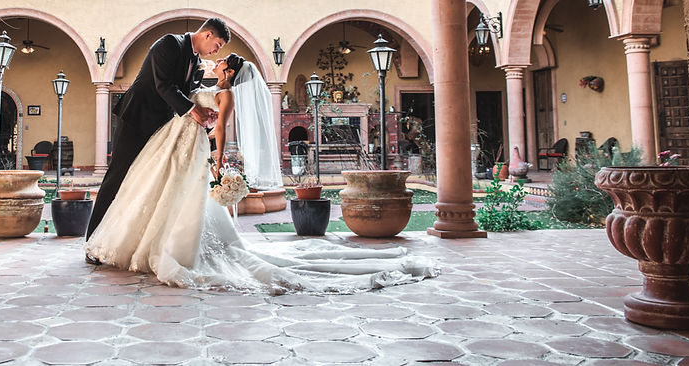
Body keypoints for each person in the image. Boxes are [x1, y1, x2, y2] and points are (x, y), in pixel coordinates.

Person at [85, 53, 439, 293]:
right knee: (159, 192)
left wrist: (218, 161)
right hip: (175, 141)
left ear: (228, 73)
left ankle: (173, 248)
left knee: (180, 198)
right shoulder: (211, 84)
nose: (217, 60)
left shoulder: (224, 95)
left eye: (222, 61)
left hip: (189, 145)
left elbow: (219, 130)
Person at [84, 18, 230, 252]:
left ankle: (129, 241)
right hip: (136, 119)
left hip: (162, 126)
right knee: (117, 177)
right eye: (218, 44)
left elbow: (188, 92)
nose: (216, 50)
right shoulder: (169, 44)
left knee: (146, 180)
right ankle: (92, 242)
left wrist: (208, 108)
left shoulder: (196, 60)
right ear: (207, 35)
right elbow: (164, 85)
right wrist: (195, 112)